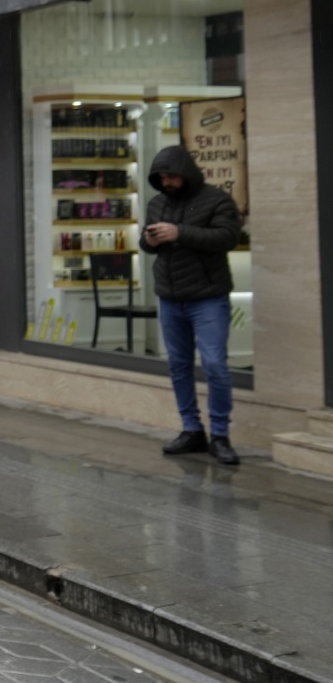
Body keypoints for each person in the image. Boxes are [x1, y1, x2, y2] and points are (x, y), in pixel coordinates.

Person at [141, 145, 244, 465]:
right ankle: (191, 429)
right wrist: (151, 240)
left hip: (208, 297)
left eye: (172, 176)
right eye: (162, 177)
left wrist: (179, 232)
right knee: (179, 366)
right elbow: (145, 245)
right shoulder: (157, 203)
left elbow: (228, 238)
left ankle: (220, 434)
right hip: (170, 298)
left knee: (215, 366)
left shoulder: (217, 200)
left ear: (186, 173)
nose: (167, 182)